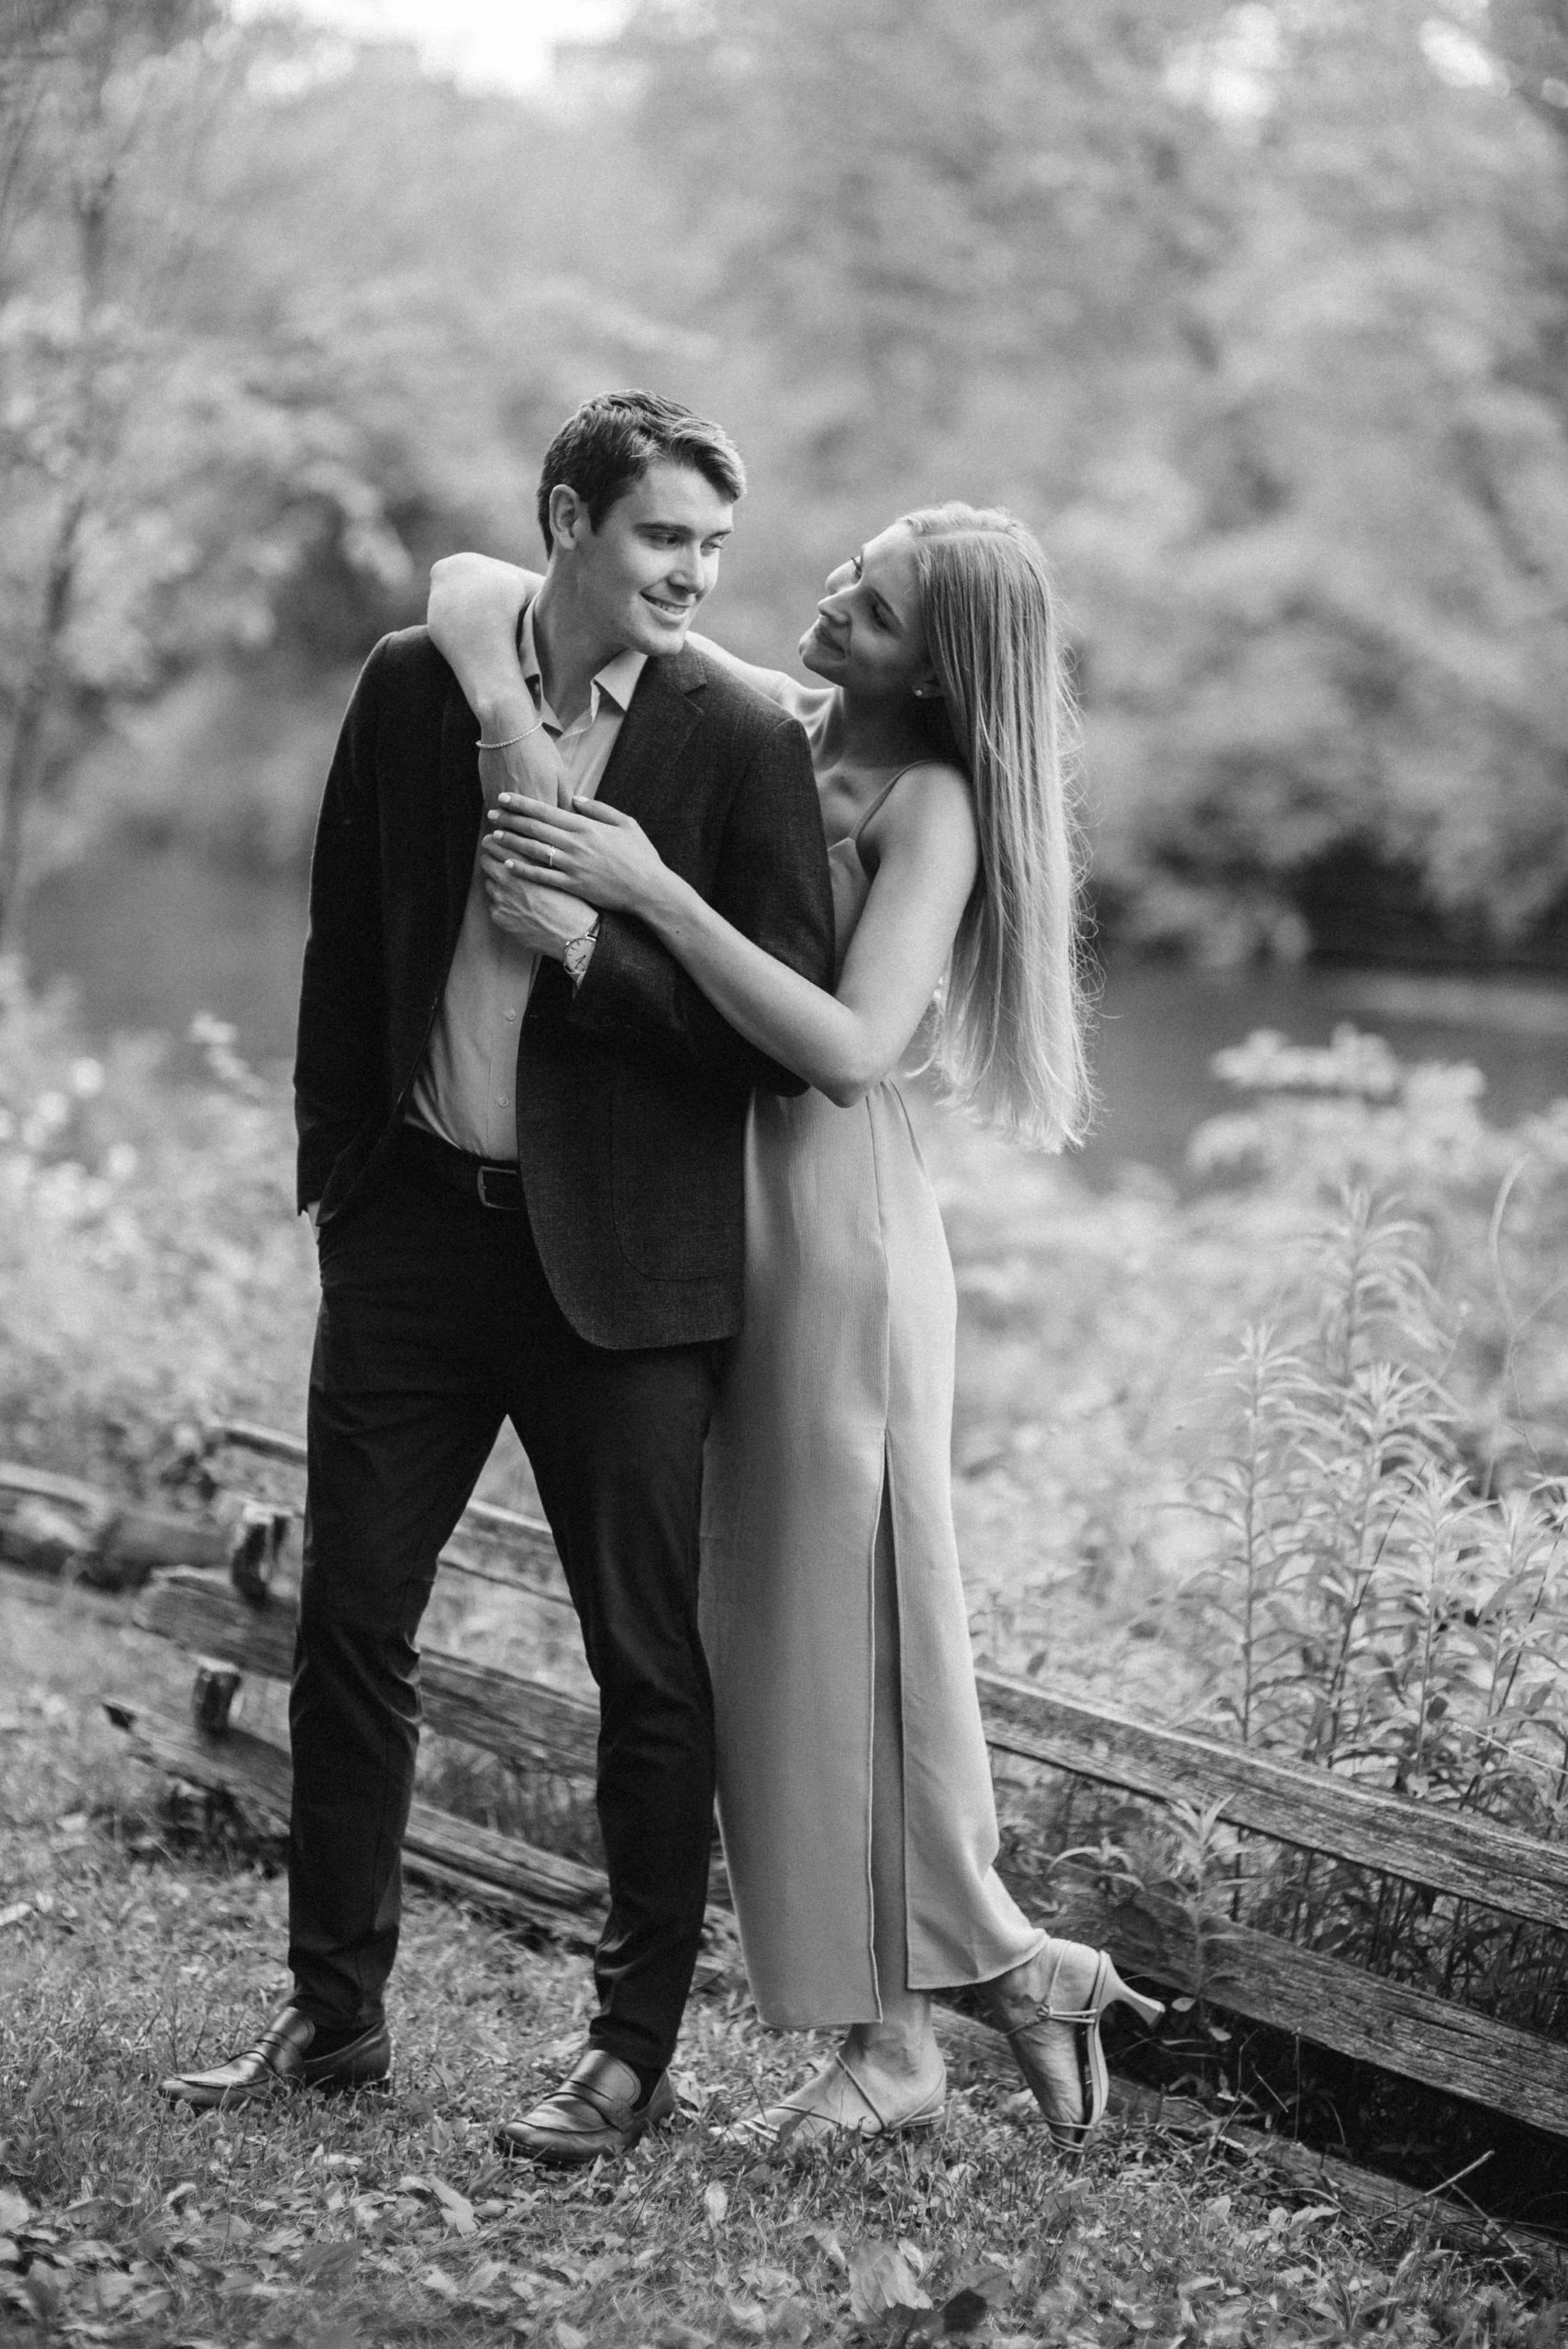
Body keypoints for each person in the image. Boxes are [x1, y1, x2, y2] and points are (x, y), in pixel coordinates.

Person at [426, 502, 1162, 2153]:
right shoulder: (767, 721)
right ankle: (976, 1985)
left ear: (943, 667)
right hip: (702, 1198)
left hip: (833, 1229)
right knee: (752, 1629)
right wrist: (492, 696)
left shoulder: (930, 805)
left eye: (878, 610)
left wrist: (652, 895)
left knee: (847, 1619)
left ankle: (908, 2032)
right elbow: (476, 584)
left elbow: (846, 1047)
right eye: (852, 570)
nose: (834, 602)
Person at [155, 390, 836, 2167]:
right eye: (661, 535)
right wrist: (338, 1180)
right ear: (566, 520)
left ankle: (628, 2054)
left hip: (625, 1276)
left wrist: (595, 952)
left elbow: (780, 1047)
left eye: (712, 546)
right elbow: (345, 936)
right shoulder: (415, 686)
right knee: (351, 1623)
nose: (691, 575)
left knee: (645, 1667)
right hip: (409, 1239)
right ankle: (332, 2016)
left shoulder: (742, 738)